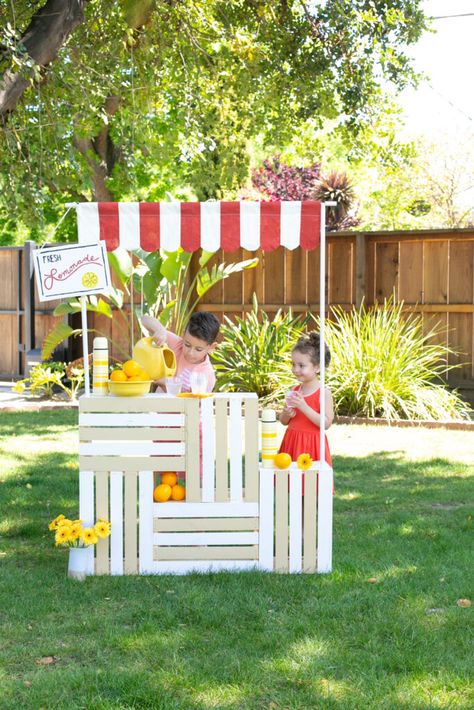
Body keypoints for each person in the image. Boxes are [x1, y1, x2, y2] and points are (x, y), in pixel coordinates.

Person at [278, 331, 334, 466]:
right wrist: (286, 413)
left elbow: (326, 424)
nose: (295, 369)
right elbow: (284, 421)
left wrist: (304, 407)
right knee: (291, 483)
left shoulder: (323, 393)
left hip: (312, 445)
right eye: (293, 364)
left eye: (301, 365)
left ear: (317, 367)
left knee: (311, 483)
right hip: (292, 441)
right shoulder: (295, 391)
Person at [141, 311, 220, 393]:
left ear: (211, 347)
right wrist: (161, 330)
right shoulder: (178, 344)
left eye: (198, 349)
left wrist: (167, 385)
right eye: (187, 345)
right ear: (183, 335)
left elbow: (195, 403)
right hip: (157, 404)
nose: (190, 353)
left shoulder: (206, 374)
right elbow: (144, 319)